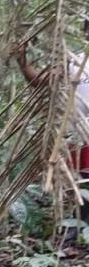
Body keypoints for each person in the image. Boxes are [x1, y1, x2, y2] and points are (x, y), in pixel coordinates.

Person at [14, 43, 89, 240]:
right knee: (82, 183)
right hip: (79, 134)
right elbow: (42, 81)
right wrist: (23, 63)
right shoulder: (72, 60)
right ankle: (79, 224)